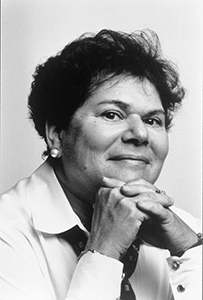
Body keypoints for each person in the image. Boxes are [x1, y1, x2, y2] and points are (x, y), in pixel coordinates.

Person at [0, 29, 202, 300]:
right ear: (57, 133)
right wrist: (103, 253)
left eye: (153, 120)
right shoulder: (7, 232)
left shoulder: (187, 232)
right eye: (112, 114)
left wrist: (190, 250)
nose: (140, 134)